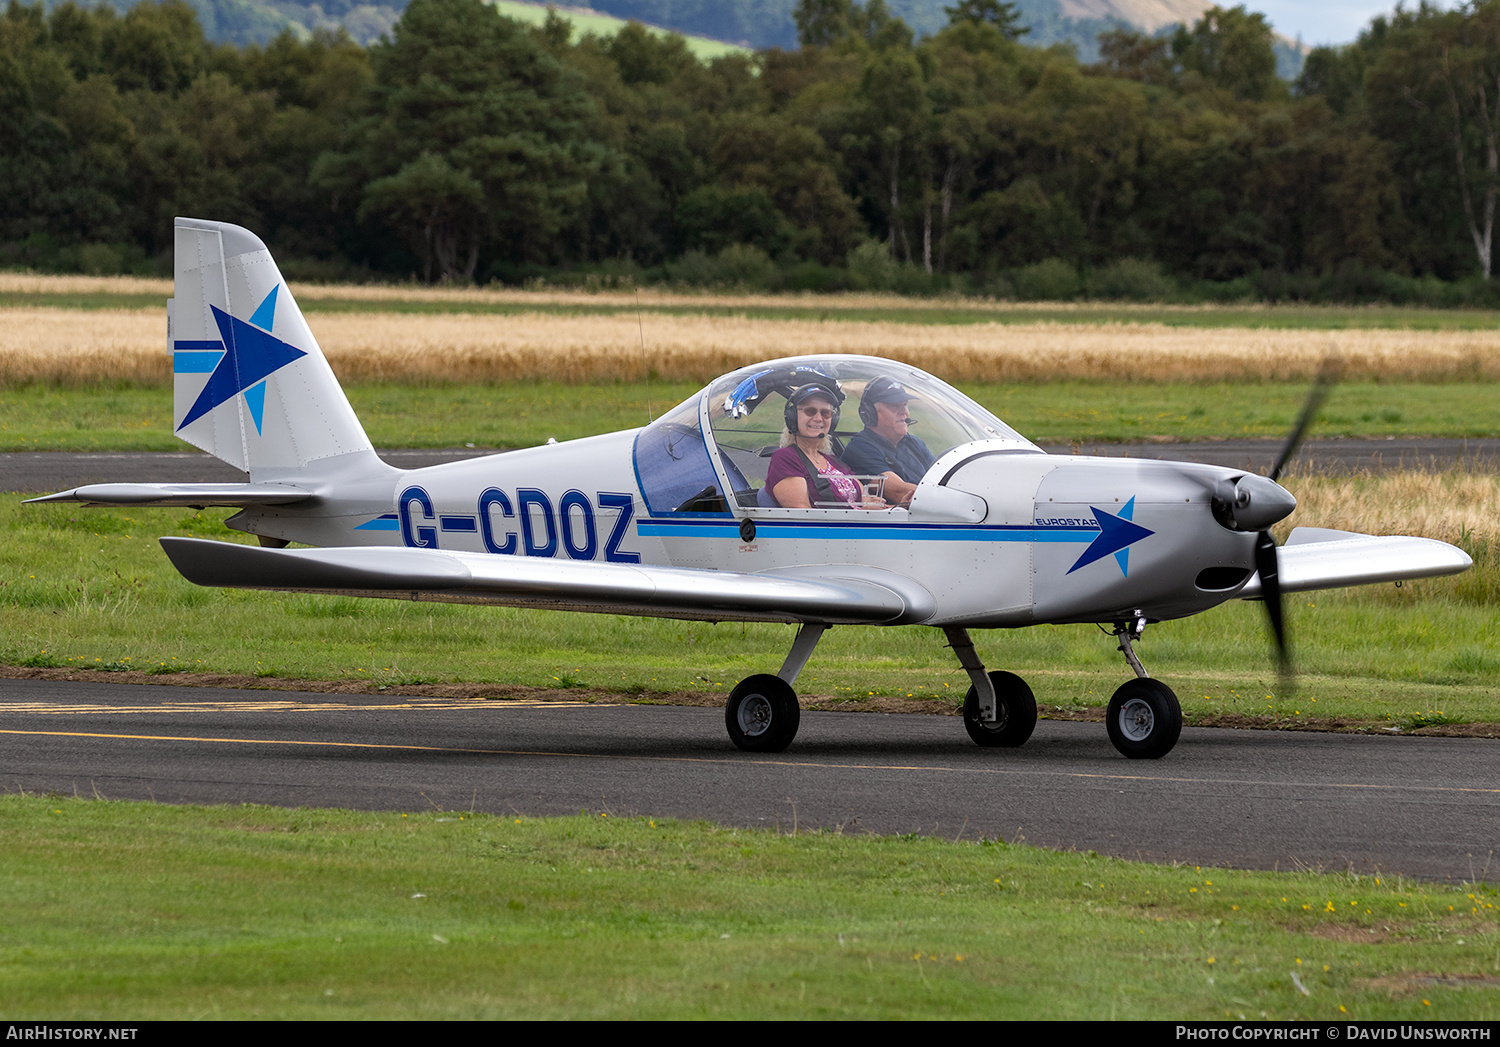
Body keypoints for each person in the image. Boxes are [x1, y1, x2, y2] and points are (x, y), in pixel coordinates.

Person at [765, 385, 885, 509]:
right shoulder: (785, 458)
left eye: (825, 413)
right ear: (793, 417)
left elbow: (868, 500)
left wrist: (901, 505)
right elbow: (802, 516)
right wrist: (861, 514)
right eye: (810, 411)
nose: (818, 418)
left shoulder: (835, 462)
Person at [840, 376, 937, 506]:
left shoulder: (915, 444)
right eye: (894, 406)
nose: (904, 412)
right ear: (869, 413)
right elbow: (901, 493)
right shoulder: (860, 449)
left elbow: (941, 478)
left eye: (904, 405)